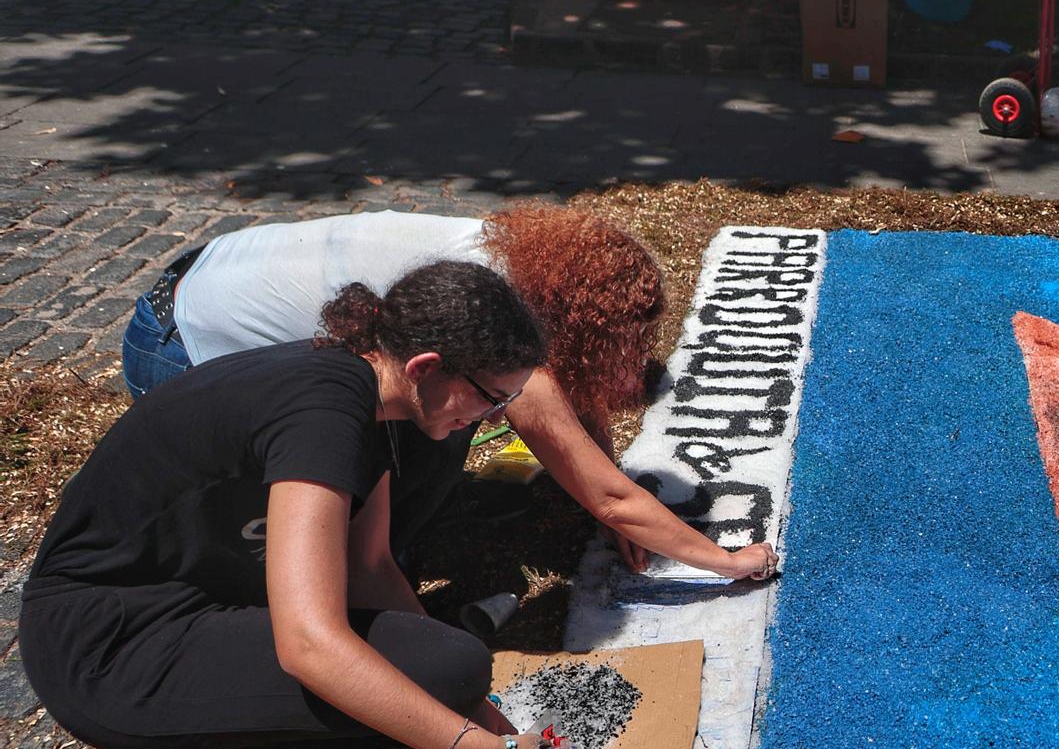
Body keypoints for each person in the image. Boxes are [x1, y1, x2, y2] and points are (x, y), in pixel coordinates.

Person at [21, 262, 579, 749]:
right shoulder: (323, 413)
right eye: (491, 399)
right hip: (108, 646)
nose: (491, 419)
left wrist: (476, 715)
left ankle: (228, 728)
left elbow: (369, 566)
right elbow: (309, 645)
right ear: (426, 366)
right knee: (444, 673)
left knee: (443, 681)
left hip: (195, 599)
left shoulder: (370, 392)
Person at [120, 206, 777, 582]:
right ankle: (374, 564)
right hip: (181, 347)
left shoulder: (512, 260)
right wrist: (725, 560)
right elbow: (603, 488)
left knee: (444, 417)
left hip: (201, 272)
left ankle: (381, 549)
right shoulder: (493, 327)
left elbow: (582, 439)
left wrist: (608, 495)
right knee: (328, 506)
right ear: (579, 323)